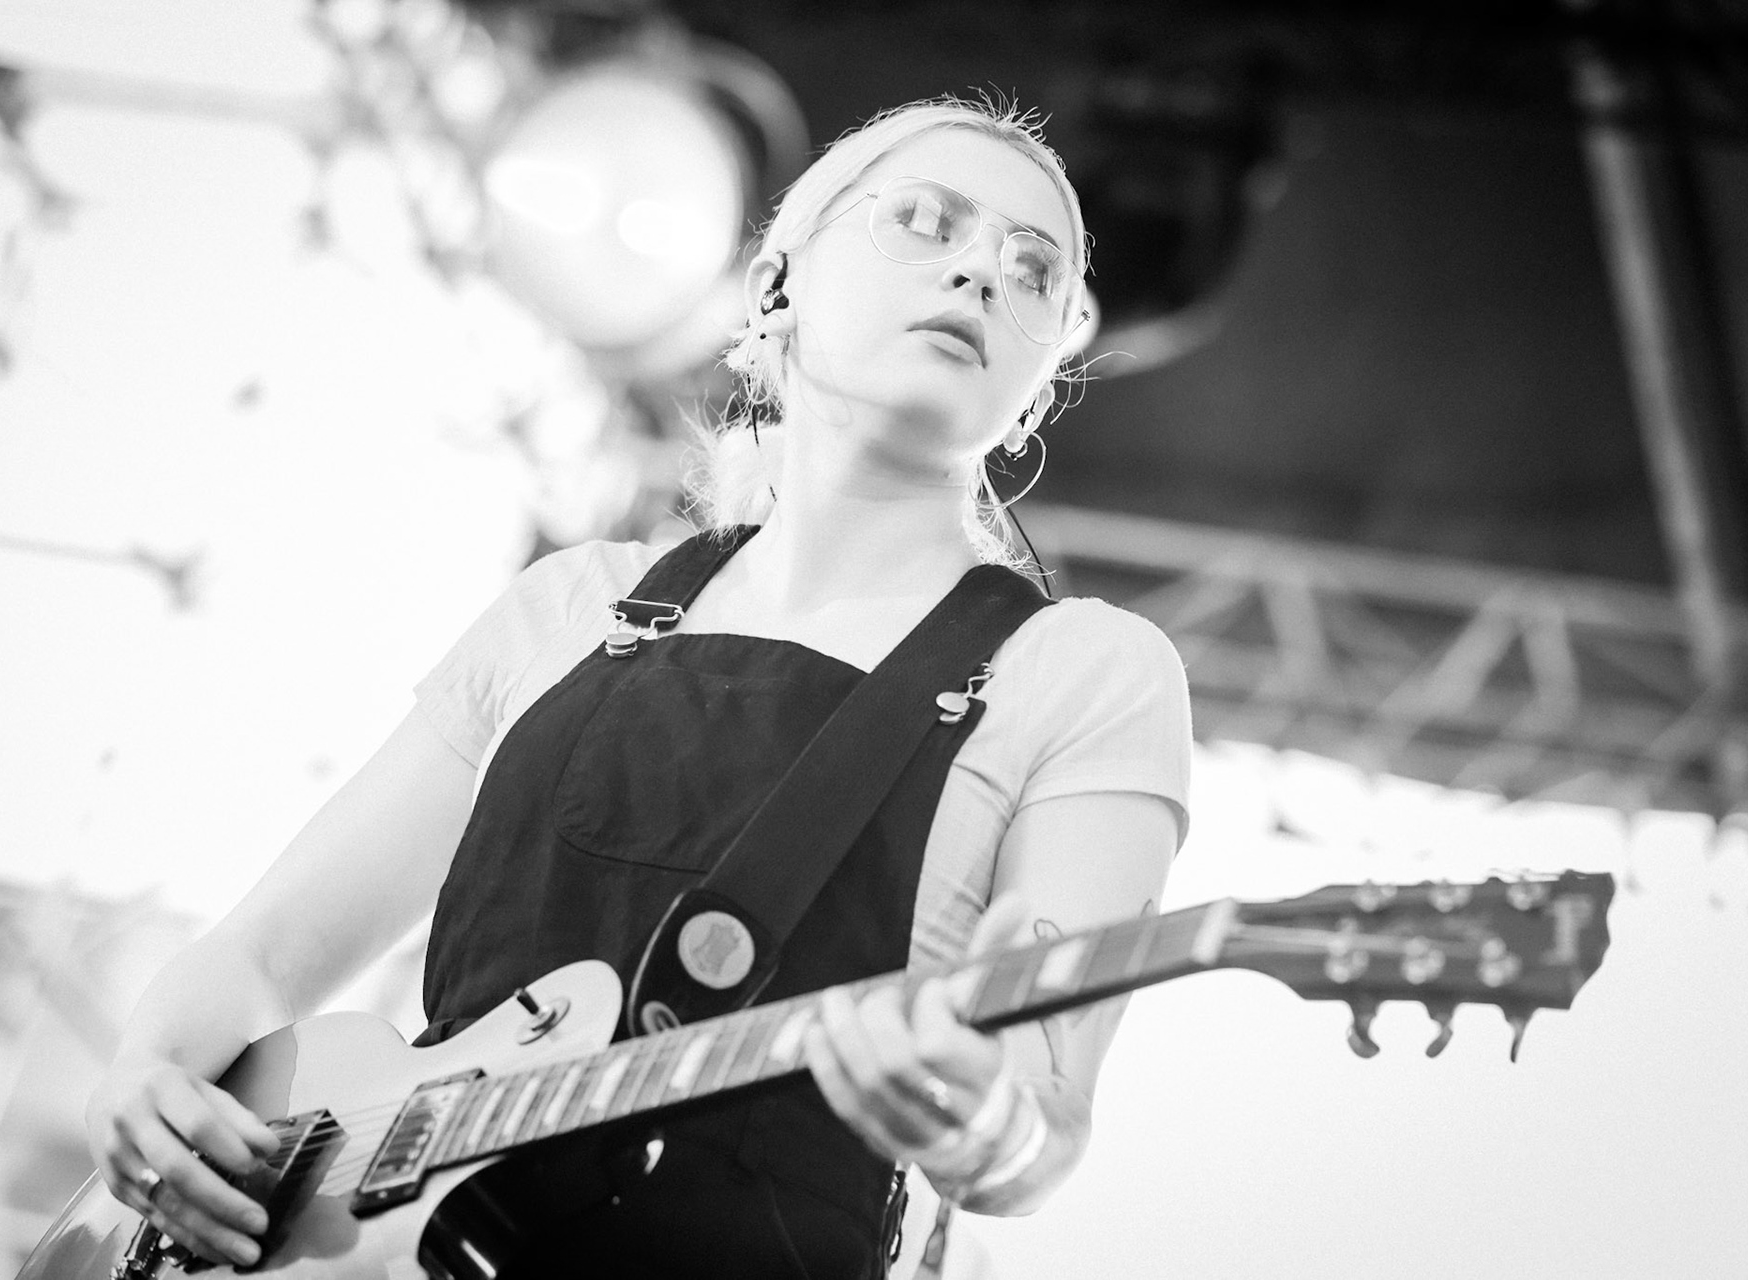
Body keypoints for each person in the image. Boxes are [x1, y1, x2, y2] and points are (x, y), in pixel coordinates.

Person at [85, 95, 1191, 1278]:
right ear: (778, 282)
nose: (981, 270)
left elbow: (1045, 1123)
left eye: (1037, 273)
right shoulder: (571, 607)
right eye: (930, 220)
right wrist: (146, 1072)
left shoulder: (1087, 670)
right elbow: (264, 952)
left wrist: (981, 1120)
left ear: (1035, 382)